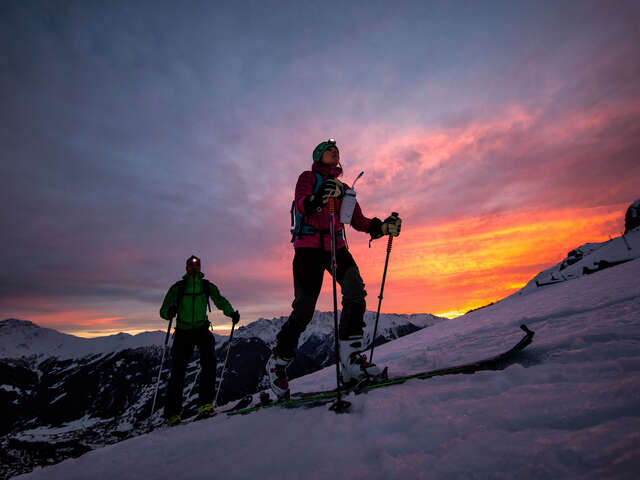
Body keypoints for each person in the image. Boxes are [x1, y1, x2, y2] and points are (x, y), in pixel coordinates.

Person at [267, 139, 402, 398]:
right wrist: (319, 197)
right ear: (318, 156)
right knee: (305, 309)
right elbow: (302, 204)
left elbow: (358, 220)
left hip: (336, 247)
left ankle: (351, 358)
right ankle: (278, 363)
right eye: (328, 150)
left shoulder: (344, 189)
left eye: (337, 150)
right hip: (308, 248)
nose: (334, 151)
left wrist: (383, 228)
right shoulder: (307, 177)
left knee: (355, 291)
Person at [159, 255, 240, 426]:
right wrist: (169, 312)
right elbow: (164, 311)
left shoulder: (206, 286)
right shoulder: (178, 288)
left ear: (200, 267)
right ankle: (172, 414)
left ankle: (205, 405)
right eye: (191, 266)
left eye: (197, 266)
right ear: (187, 268)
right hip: (183, 331)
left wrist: (231, 312)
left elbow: (220, 300)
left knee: (209, 365)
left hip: (201, 329)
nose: (194, 268)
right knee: (178, 372)